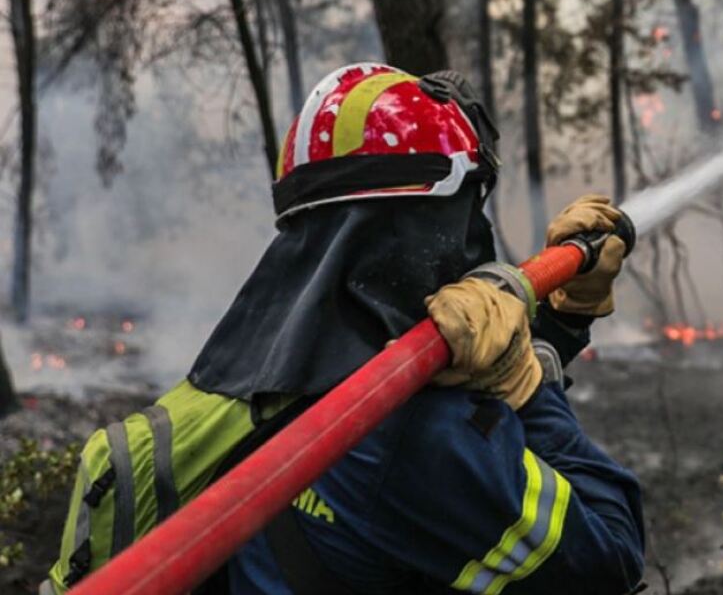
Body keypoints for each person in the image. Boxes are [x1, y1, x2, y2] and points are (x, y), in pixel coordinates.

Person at [190, 63, 644, 594]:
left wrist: (562, 321)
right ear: (431, 228)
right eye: (466, 212)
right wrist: (527, 388)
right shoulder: (414, 439)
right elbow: (610, 556)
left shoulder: (239, 383)